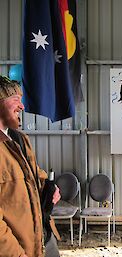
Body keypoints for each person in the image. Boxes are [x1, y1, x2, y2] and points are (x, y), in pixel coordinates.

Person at [0, 76, 61, 257]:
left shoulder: (19, 138)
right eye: (15, 100)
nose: (22, 107)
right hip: (17, 250)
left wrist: (48, 186)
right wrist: (16, 254)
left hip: (42, 240)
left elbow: (32, 173)